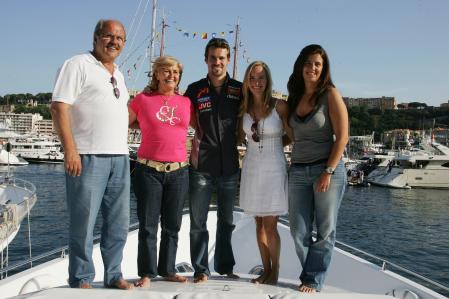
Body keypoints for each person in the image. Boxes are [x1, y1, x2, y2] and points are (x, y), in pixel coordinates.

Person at [50, 19, 133, 290]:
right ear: (96, 37)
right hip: (87, 156)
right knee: (83, 223)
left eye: (120, 38)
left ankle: (113, 275)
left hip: (120, 157)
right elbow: (59, 107)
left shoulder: (118, 72)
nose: (115, 42)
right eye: (109, 36)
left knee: (118, 224)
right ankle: (82, 278)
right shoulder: (77, 65)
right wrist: (70, 150)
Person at [286, 44, 348, 293]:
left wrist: (328, 171)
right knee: (297, 230)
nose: (312, 68)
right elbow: (291, 136)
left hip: (326, 170)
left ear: (323, 69)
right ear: (301, 66)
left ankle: (312, 279)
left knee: (325, 230)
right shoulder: (294, 97)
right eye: (308, 63)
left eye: (317, 64)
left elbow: (342, 137)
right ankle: (310, 275)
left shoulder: (330, 94)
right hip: (298, 170)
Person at [128, 56, 193, 287]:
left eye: (175, 72)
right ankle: (147, 272)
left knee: (172, 225)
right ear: (156, 74)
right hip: (148, 171)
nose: (171, 76)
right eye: (166, 71)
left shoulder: (186, 102)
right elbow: (125, 122)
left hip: (179, 171)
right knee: (147, 225)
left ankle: (167, 270)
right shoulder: (142, 100)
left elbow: (197, 128)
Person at [184, 38, 242, 283]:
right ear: (205, 59)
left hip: (229, 166)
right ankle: (200, 269)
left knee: (227, 221)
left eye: (221, 58)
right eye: (212, 58)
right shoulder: (195, 88)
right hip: (201, 166)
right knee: (198, 221)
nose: (217, 62)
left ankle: (224, 267)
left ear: (227, 60)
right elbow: (186, 117)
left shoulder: (240, 89)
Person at [238, 61, 290, 285]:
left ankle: (275, 271)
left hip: (274, 167)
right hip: (251, 167)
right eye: (252, 78)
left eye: (261, 78)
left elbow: (293, 135)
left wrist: (275, 144)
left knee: (270, 225)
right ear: (247, 82)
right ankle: (265, 270)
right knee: (258, 224)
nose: (256, 83)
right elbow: (240, 137)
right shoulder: (243, 108)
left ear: (267, 81)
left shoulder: (280, 106)